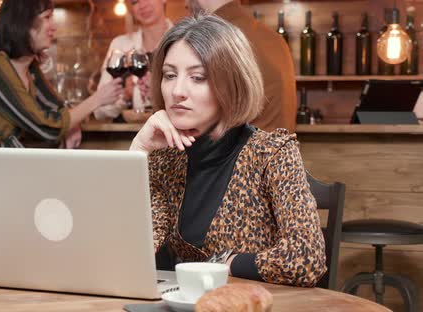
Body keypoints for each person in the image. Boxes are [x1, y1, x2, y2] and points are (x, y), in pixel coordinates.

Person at [130, 14, 326, 287]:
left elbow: (307, 258)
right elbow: (126, 250)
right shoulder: (166, 158)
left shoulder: (271, 153)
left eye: (197, 77)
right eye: (169, 75)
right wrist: (137, 151)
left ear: (231, 84)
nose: (177, 91)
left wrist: (225, 262)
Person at [0, 0, 123, 149]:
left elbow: (57, 107)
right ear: (23, 23)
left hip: (6, 163)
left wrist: (73, 124)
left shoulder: (29, 68)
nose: (53, 27)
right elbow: (45, 127)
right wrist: (97, 99)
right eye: (47, 17)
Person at [185, 0, 297, 132]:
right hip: (274, 149)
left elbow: (197, 124)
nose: (185, 4)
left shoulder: (215, 38)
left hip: (243, 150)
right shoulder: (273, 38)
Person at [94, 0, 173, 121]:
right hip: (131, 137)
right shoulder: (120, 45)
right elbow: (99, 111)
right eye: (135, 1)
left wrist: (158, 95)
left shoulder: (182, 41)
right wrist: (125, 97)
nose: (142, 5)